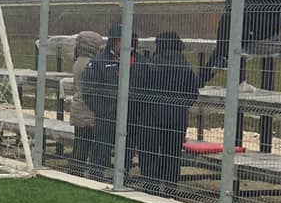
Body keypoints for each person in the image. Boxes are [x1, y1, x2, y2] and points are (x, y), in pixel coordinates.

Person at [129, 32, 199, 192]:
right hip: (176, 119)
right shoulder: (185, 67)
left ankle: (150, 186)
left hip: (151, 117)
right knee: (172, 154)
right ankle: (170, 188)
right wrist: (180, 107)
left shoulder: (151, 65)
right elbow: (193, 94)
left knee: (149, 152)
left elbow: (139, 91)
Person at [78, 31, 125, 178]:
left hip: (121, 114)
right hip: (102, 115)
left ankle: (119, 177)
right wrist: (103, 110)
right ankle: (94, 176)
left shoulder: (132, 61)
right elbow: (88, 91)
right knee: (97, 148)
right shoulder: (95, 63)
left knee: (87, 146)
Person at [65, 31, 105, 174]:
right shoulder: (90, 64)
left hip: (79, 109)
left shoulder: (79, 61)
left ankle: (74, 170)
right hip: (87, 110)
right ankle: (76, 172)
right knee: (84, 145)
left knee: (80, 143)